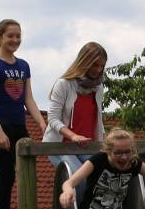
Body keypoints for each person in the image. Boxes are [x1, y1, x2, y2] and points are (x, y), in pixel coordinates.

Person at [0, 18, 46, 209]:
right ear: (0, 37)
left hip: (19, 126)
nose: (15, 40)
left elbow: (28, 99)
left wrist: (42, 122)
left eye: (18, 36)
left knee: (26, 173)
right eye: (10, 36)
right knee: (7, 175)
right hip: (0, 127)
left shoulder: (23, 65)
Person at [42, 41, 108, 177]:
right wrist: (73, 136)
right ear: (85, 62)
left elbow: (97, 119)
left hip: (87, 146)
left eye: (101, 66)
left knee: (104, 173)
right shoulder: (64, 84)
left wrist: (105, 140)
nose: (98, 69)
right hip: (61, 146)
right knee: (78, 176)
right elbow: (53, 119)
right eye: (95, 65)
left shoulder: (98, 87)